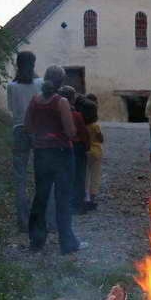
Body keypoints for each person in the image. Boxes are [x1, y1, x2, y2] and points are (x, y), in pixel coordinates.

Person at [24, 66, 80, 254]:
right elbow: (70, 131)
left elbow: (27, 126)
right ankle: (67, 242)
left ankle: (36, 241)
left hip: (41, 153)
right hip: (62, 153)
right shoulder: (61, 102)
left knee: (41, 196)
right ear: (61, 82)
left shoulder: (35, 100)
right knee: (63, 198)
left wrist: (41, 136)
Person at [6, 51, 43, 232]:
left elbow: (11, 108)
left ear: (17, 64)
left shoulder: (11, 86)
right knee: (41, 175)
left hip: (19, 129)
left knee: (20, 177)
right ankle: (41, 218)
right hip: (38, 129)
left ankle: (23, 221)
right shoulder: (40, 83)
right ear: (33, 63)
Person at [58, 86, 91, 215]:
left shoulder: (56, 113)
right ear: (72, 99)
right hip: (77, 147)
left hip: (61, 147)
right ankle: (77, 204)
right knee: (79, 176)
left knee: (65, 176)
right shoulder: (76, 115)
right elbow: (83, 133)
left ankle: (65, 204)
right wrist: (87, 146)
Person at [84, 93, 103, 211]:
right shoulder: (95, 126)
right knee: (95, 175)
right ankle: (92, 198)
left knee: (85, 175)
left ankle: (85, 198)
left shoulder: (82, 124)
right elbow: (101, 139)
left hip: (85, 151)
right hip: (96, 152)